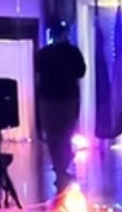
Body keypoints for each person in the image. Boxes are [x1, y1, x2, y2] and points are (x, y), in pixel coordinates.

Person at [35, 21, 86, 193]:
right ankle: (62, 167)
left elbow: (39, 72)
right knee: (65, 134)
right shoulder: (72, 52)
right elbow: (81, 71)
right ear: (65, 34)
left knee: (53, 136)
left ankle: (59, 169)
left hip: (48, 98)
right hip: (68, 98)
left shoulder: (44, 54)